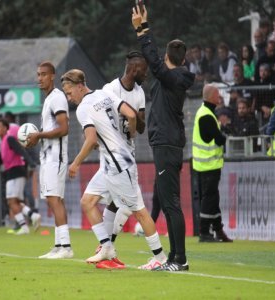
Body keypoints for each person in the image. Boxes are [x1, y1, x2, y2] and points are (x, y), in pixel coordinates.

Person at [61, 68, 167, 271]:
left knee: (139, 212)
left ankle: (160, 258)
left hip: (118, 164)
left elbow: (91, 139)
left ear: (80, 86)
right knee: (88, 201)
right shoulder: (105, 93)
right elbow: (130, 114)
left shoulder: (83, 108)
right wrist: (132, 132)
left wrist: (75, 163)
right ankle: (107, 247)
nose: (69, 97)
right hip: (114, 161)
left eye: (69, 92)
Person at [132, 4, 194, 271]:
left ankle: (180, 259)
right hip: (165, 142)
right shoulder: (174, 77)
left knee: (171, 204)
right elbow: (157, 68)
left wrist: (143, 30)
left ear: (169, 57)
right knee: (167, 203)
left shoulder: (173, 77)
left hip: (167, 143)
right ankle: (172, 257)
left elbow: (155, 64)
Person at [88, 50, 148, 251]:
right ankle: (106, 245)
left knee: (116, 202)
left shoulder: (139, 93)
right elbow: (98, 117)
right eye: (144, 70)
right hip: (110, 154)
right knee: (119, 202)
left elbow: (141, 127)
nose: (146, 74)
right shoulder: (110, 89)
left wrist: (131, 115)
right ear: (133, 69)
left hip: (128, 153)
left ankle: (105, 245)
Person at [26, 61, 72, 259]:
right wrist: (37, 139)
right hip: (48, 157)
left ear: (52, 76)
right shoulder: (48, 99)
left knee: (55, 200)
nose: (40, 78)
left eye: (44, 74)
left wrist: (39, 135)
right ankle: (58, 245)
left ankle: (66, 247)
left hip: (56, 157)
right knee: (55, 200)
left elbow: (64, 128)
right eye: (38, 74)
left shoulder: (58, 98)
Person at [192, 85, 233, 243]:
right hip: (209, 165)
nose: (219, 97)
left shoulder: (206, 113)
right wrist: (224, 133)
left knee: (213, 198)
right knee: (209, 199)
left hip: (207, 165)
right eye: (217, 94)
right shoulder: (206, 115)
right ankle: (204, 232)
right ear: (210, 97)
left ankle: (218, 230)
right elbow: (217, 139)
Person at [0, 119, 40, 235]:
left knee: (11, 201)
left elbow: (21, 150)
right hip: (12, 172)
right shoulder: (3, 141)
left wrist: (30, 162)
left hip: (16, 172)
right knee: (15, 201)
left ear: (5, 128)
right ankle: (32, 216)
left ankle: (26, 225)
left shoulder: (9, 138)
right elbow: (4, 158)